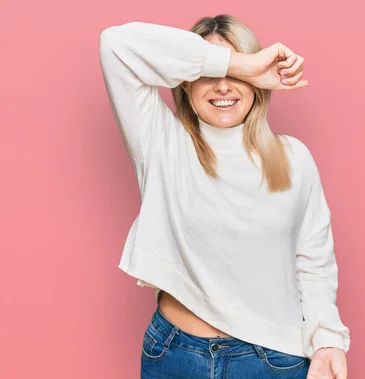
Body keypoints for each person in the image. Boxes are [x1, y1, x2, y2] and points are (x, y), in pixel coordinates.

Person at [99, 14, 350, 379]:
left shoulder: (293, 157)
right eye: (209, 72)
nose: (222, 87)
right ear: (184, 83)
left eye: (237, 77)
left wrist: (327, 339)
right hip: (174, 356)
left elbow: (313, 261)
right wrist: (242, 64)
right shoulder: (161, 143)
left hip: (273, 361)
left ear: (255, 85)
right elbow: (116, 45)